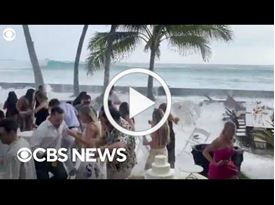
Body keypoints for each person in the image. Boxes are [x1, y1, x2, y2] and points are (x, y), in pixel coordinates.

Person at [30, 107, 69, 179]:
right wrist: (46, 153)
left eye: (61, 120)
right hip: (42, 157)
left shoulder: (62, 123)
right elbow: (33, 147)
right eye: (57, 120)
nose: (60, 123)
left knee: (63, 175)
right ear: (51, 116)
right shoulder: (42, 129)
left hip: (55, 156)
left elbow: (66, 131)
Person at [69, 106, 106, 179]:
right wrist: (79, 134)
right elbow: (92, 138)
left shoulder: (90, 126)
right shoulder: (97, 123)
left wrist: (74, 135)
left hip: (89, 155)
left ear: (86, 116)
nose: (79, 118)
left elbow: (88, 143)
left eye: (81, 115)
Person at [99, 106, 136, 179]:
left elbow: (120, 145)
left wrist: (102, 151)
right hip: (112, 164)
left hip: (123, 166)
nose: (105, 125)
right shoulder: (110, 126)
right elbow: (106, 139)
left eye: (106, 123)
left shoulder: (125, 128)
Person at [159, 103, 179, 168]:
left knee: (170, 152)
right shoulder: (160, 116)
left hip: (170, 136)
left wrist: (176, 119)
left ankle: (171, 167)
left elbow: (175, 121)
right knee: (164, 152)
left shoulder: (168, 115)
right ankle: (164, 166)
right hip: (163, 135)